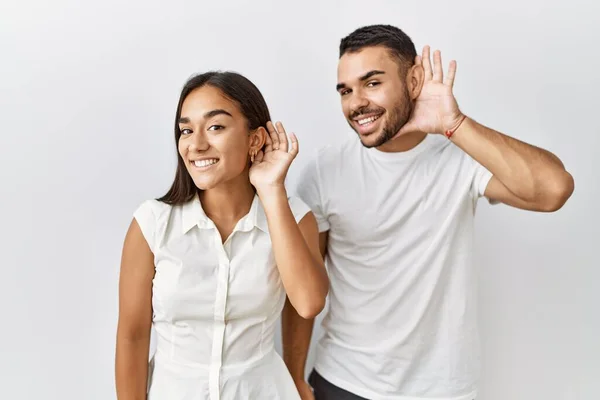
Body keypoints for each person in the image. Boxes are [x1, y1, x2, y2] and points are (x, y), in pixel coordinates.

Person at [284, 24, 575, 400]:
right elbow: (303, 283)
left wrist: (454, 125)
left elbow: (554, 191)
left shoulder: (461, 158)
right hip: (345, 382)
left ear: (415, 78)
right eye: (346, 90)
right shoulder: (324, 171)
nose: (356, 102)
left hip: (443, 390)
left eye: (372, 83)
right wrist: (294, 376)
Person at [115, 71, 329, 400]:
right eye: (186, 130)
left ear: (255, 139)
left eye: (215, 127)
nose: (197, 144)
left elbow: (309, 303)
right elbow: (132, 335)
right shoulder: (152, 223)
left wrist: (271, 190)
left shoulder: (294, 217)